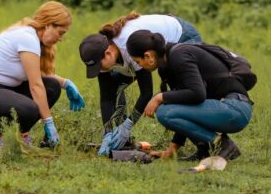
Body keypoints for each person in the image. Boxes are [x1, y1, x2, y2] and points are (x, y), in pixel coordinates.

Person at [0, 1, 85, 152]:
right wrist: (49, 122)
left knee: (52, 87)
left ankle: (21, 137)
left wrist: (65, 83)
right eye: (60, 33)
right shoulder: (27, 37)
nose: (60, 38)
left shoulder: (32, 36)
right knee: (29, 108)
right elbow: (35, 85)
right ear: (48, 24)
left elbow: (37, 73)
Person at [78, 12, 202, 156]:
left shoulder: (130, 47)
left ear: (108, 53)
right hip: (155, 44)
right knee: (115, 86)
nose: (99, 70)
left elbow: (146, 92)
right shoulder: (103, 54)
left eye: (99, 66)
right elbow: (107, 96)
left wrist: (128, 125)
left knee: (184, 90)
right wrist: (107, 132)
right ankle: (120, 139)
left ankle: (203, 145)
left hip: (183, 35)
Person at [125, 30, 253, 161]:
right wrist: (171, 151)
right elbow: (184, 107)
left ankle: (222, 145)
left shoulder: (179, 56)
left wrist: (159, 97)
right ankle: (204, 149)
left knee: (165, 111)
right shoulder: (167, 63)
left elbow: (198, 94)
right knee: (169, 107)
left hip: (234, 109)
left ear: (148, 56)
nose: (139, 66)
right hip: (224, 108)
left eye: (138, 61)